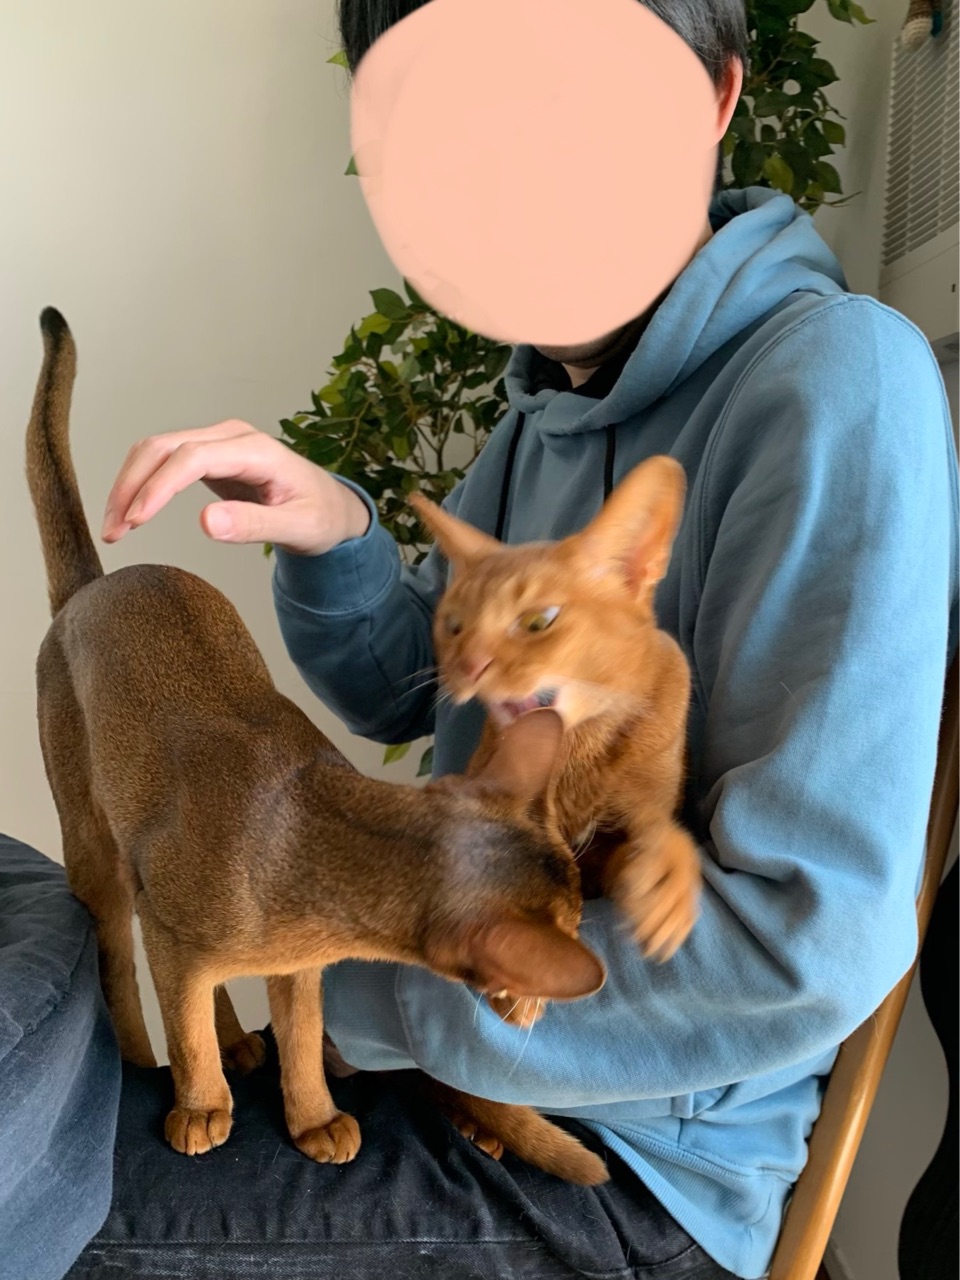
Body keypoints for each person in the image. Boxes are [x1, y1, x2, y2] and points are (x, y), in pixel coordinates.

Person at [101, 2, 959, 1276]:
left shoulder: (837, 385)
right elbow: (409, 690)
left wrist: (346, 981)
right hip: (440, 1053)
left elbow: (808, 943)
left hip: (634, 1168)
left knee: (48, 1183)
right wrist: (338, 531)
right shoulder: (543, 415)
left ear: (715, 96)